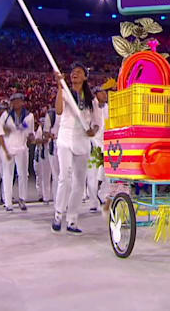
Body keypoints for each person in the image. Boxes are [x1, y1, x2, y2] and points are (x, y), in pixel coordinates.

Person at [51, 63, 101, 234]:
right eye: (72, 72)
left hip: (82, 142)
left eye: (79, 72)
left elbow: (96, 123)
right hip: (65, 138)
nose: (74, 74)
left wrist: (91, 132)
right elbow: (58, 111)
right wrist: (59, 87)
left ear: (85, 77)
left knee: (79, 182)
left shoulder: (91, 100)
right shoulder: (65, 92)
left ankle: (72, 219)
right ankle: (58, 214)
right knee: (65, 177)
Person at [0, 93, 35, 212]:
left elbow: (30, 132)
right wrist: (6, 130)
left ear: (22, 102)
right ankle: (8, 202)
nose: (16, 103)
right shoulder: (6, 115)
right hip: (8, 148)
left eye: (18, 101)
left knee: (23, 174)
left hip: (22, 147)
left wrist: (32, 137)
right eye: (13, 101)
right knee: (7, 174)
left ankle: (22, 199)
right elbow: (0, 131)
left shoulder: (29, 116)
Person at [86, 85, 109, 213]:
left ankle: (102, 195)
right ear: (96, 94)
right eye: (102, 93)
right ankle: (93, 201)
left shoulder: (108, 108)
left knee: (106, 173)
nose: (105, 95)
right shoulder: (91, 106)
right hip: (94, 144)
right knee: (92, 174)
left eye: (106, 93)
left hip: (106, 144)